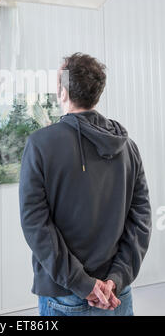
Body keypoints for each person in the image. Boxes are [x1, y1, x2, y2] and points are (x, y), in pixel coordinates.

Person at [19, 52, 152, 316]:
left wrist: (84, 284)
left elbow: (35, 224)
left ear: (63, 92)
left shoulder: (40, 145)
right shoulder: (129, 148)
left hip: (65, 293)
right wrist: (116, 278)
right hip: (116, 292)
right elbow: (142, 221)